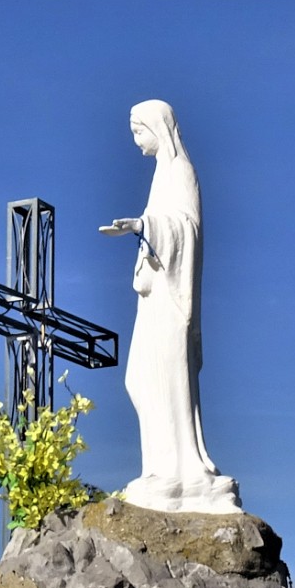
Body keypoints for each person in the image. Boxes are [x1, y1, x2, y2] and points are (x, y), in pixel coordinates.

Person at [99, 99, 240, 514]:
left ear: (158, 129)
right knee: (140, 379)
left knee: (164, 378)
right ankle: (161, 466)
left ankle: (182, 472)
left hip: (171, 301)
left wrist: (145, 225)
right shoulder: (161, 174)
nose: (135, 140)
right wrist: (141, 229)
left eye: (138, 131)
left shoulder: (180, 171)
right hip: (154, 296)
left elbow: (187, 229)